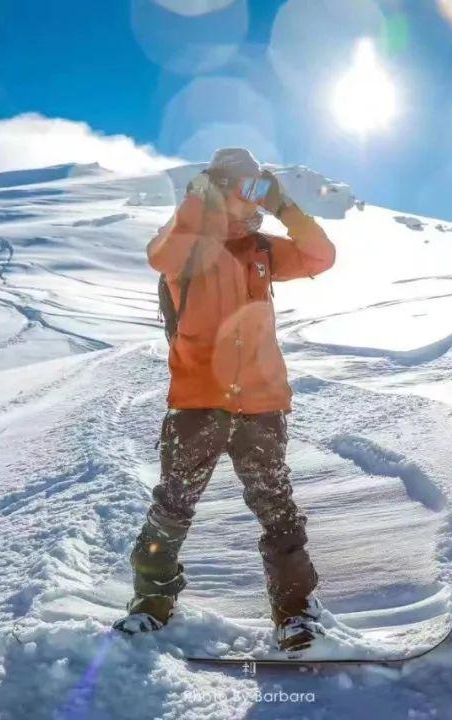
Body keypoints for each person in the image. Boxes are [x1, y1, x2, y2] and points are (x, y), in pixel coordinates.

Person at [114, 147, 337, 652]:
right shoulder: (188, 245)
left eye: (257, 186)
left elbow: (322, 257)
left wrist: (286, 208)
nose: (248, 196)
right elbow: (160, 257)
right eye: (239, 185)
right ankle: (151, 603)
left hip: (261, 405)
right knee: (172, 508)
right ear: (214, 185)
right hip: (198, 405)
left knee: (277, 510)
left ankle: (296, 613)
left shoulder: (262, 249)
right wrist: (199, 202)